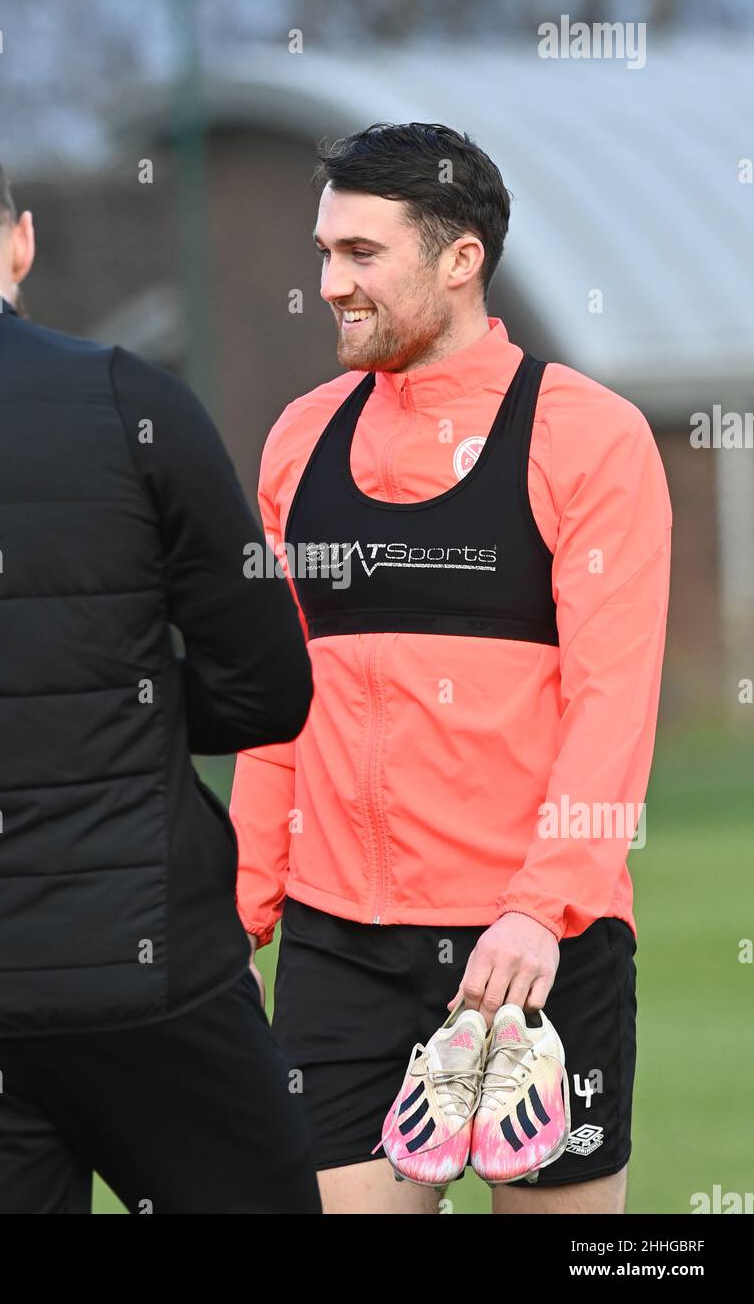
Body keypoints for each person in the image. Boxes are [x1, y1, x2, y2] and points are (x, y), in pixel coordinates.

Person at [0, 118, 321, 1214]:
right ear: (20, 242)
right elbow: (271, 685)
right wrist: (130, 703)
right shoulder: (133, 401)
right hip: (145, 960)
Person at [230, 122, 672, 1215]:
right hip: (340, 948)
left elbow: (614, 697)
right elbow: (279, 703)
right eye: (325, 253)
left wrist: (540, 907)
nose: (331, 283)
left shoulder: (589, 436)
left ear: (460, 258)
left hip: (536, 943)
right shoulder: (298, 441)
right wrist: (232, 914)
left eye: (362, 255)